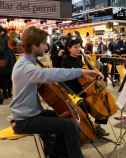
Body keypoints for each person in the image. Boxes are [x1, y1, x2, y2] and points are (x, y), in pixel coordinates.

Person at [9, 27, 102, 158]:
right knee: (70, 126)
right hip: (25, 120)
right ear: (35, 45)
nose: (46, 46)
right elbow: (54, 73)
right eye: (43, 43)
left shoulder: (26, 62)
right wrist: (84, 71)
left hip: (32, 114)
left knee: (66, 116)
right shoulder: (27, 68)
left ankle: (56, 154)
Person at [60, 35, 109, 137]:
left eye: (79, 46)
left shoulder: (81, 58)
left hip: (85, 88)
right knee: (83, 104)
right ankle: (85, 129)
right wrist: (89, 72)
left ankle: (97, 126)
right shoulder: (65, 60)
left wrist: (92, 66)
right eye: (75, 47)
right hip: (72, 92)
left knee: (104, 99)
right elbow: (78, 73)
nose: (79, 49)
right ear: (69, 48)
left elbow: (88, 74)